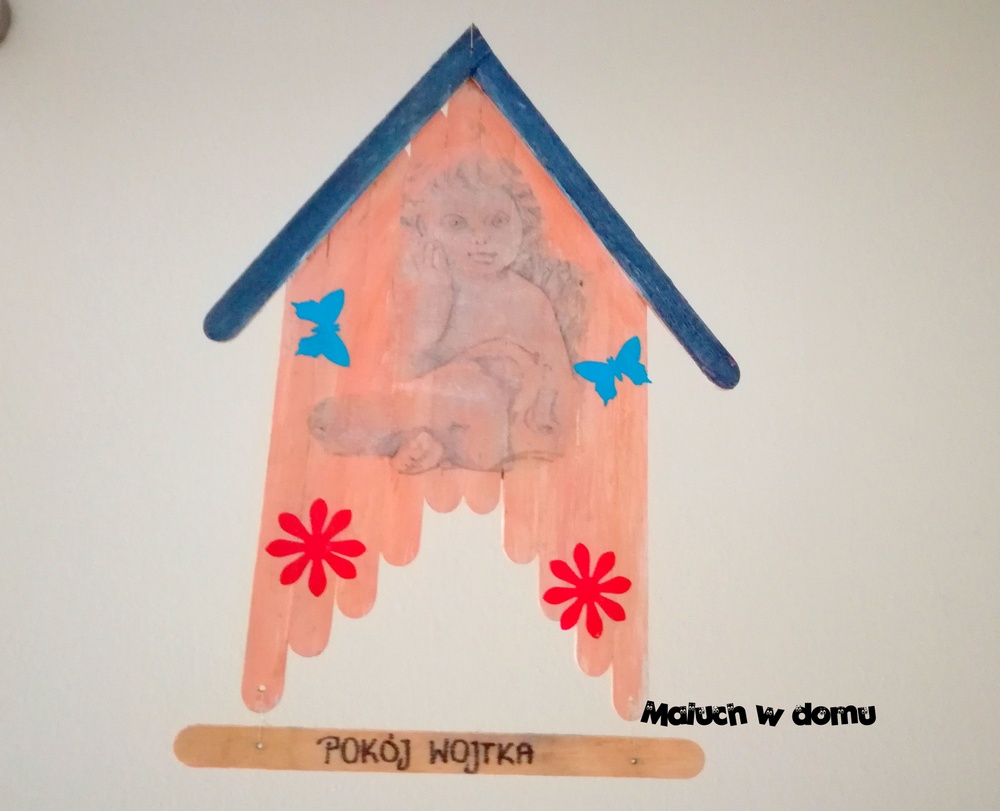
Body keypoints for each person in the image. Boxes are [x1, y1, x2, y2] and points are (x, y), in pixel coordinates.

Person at [309, 153, 584, 474]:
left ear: (523, 223)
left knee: (470, 386)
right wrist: (430, 313)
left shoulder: (529, 300)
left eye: (498, 221)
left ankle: (371, 422)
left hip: (510, 433)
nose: (481, 238)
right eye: (456, 223)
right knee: (448, 390)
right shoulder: (423, 289)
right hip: (455, 432)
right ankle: (423, 446)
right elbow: (409, 370)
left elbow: (557, 385)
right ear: (424, 230)